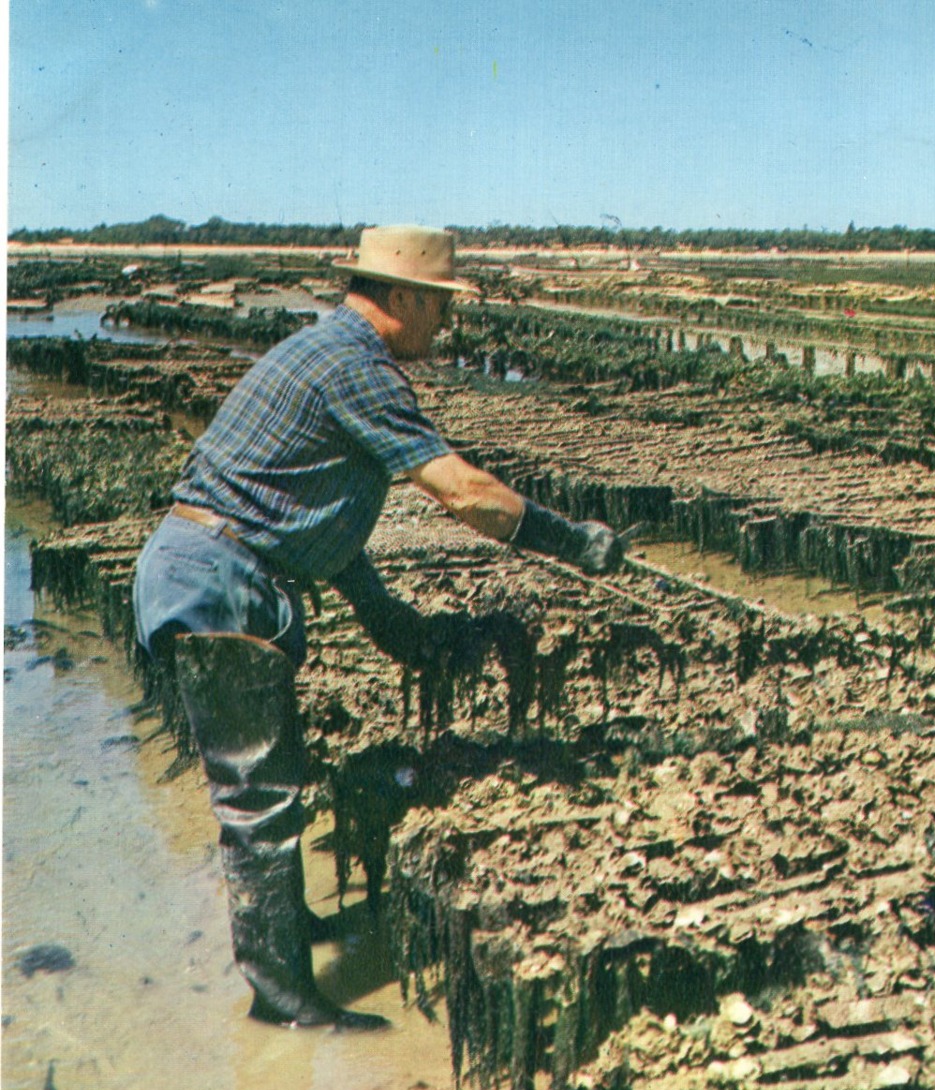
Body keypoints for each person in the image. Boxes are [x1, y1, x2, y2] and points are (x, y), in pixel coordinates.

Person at [132, 225, 623, 1031]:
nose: (445, 323)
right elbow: (462, 493)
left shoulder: (323, 353)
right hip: (214, 583)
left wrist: (390, 619)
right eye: (439, 304)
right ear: (400, 297)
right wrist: (570, 540)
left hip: (212, 570)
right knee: (259, 799)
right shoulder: (359, 368)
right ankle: (283, 1001)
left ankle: (288, 936)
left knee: (270, 777)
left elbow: (301, 511)